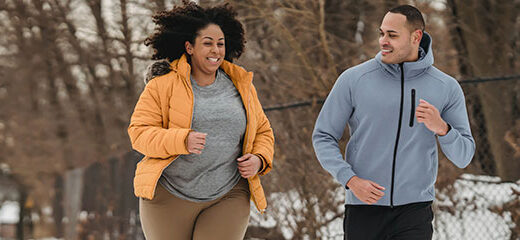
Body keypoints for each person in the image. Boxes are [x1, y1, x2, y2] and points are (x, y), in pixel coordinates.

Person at [312, 5, 475, 240]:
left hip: (414, 211)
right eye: (381, 33)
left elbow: (464, 156)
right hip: (363, 208)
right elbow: (323, 136)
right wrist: (350, 180)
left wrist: (443, 128)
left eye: (392, 35)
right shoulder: (354, 80)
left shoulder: (446, 87)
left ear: (415, 37)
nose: (383, 41)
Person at [127, 1, 274, 239]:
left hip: (228, 194)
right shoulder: (162, 85)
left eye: (220, 44)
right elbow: (139, 133)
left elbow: (263, 132)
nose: (216, 50)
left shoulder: (241, 85)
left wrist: (259, 159)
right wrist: (181, 140)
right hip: (169, 196)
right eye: (208, 43)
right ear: (189, 47)